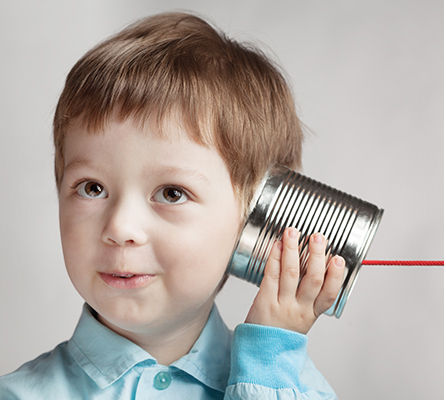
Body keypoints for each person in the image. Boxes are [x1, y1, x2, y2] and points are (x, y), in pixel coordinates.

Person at [0, 12, 345, 399]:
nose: (120, 228)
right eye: (93, 188)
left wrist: (267, 365)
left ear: (255, 217)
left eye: (171, 193)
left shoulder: (291, 388)